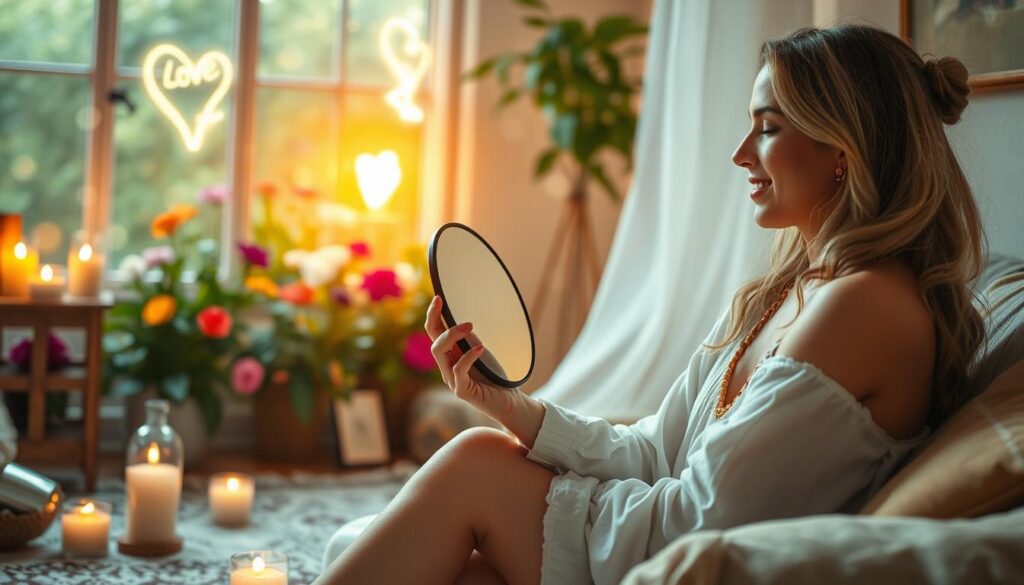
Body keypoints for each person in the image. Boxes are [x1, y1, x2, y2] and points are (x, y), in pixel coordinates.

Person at [316, 24, 985, 585]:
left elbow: (703, 521)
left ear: (843, 147)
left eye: (768, 128)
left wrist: (508, 483)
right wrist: (509, 408)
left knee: (469, 471)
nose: (740, 153)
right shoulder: (789, 289)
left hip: (687, 561)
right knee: (404, 550)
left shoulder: (865, 305)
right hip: (670, 534)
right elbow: (655, 451)